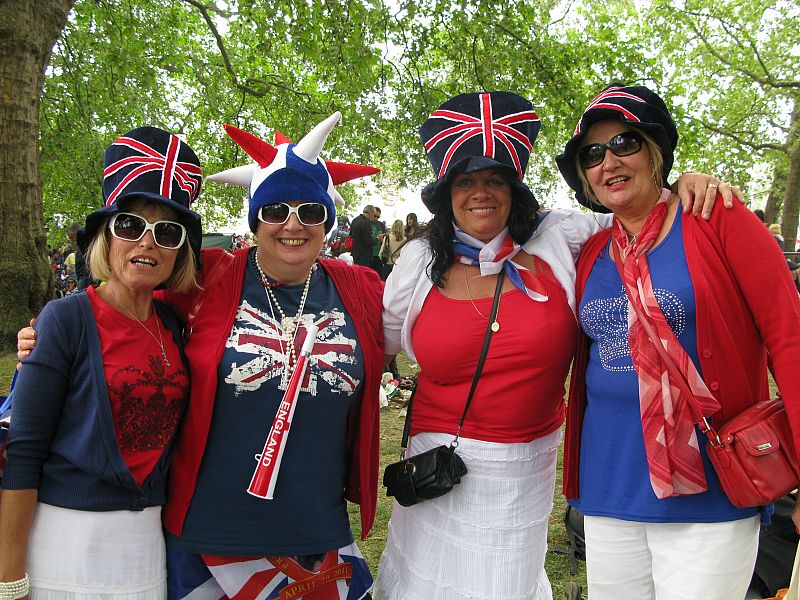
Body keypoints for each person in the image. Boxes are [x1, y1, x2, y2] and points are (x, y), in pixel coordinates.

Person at [375, 91, 730, 600]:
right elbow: (382, 342)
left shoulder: (559, 236)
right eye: (466, 182)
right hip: (438, 458)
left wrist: (681, 184)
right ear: (447, 194)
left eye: (495, 180)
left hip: (525, 462)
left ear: (515, 191)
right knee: (426, 582)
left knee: (505, 584)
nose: (481, 194)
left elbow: (636, 212)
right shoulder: (418, 261)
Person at [15, 114, 384, 599]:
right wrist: (50, 334)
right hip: (206, 536)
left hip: (317, 529)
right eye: (275, 210)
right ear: (256, 219)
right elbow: (125, 304)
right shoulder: (208, 277)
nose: (292, 224)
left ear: (328, 221)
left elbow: (434, 336)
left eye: (311, 211)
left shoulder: (363, 288)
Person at [555, 83, 800, 600]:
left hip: (712, 490)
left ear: (655, 152)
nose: (608, 161)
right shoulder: (591, 249)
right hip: (610, 485)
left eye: (624, 143)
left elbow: (789, 338)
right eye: (592, 154)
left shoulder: (718, 219)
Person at [0, 126, 200, 599]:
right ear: (106, 236)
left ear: (180, 251)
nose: (147, 243)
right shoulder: (65, 320)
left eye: (166, 232)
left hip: (146, 553)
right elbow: (23, 454)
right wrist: (10, 578)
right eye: (130, 225)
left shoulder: (174, 326)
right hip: (63, 552)